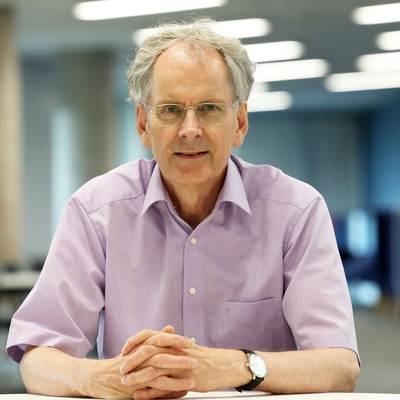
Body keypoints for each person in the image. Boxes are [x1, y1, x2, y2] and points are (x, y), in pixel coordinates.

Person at [7, 18, 359, 398]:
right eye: (171, 110)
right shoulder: (96, 212)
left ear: (239, 122)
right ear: (143, 124)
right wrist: (105, 378)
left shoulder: (296, 212)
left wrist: (237, 366)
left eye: (208, 108)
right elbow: (37, 355)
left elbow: (339, 365)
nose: (190, 130)